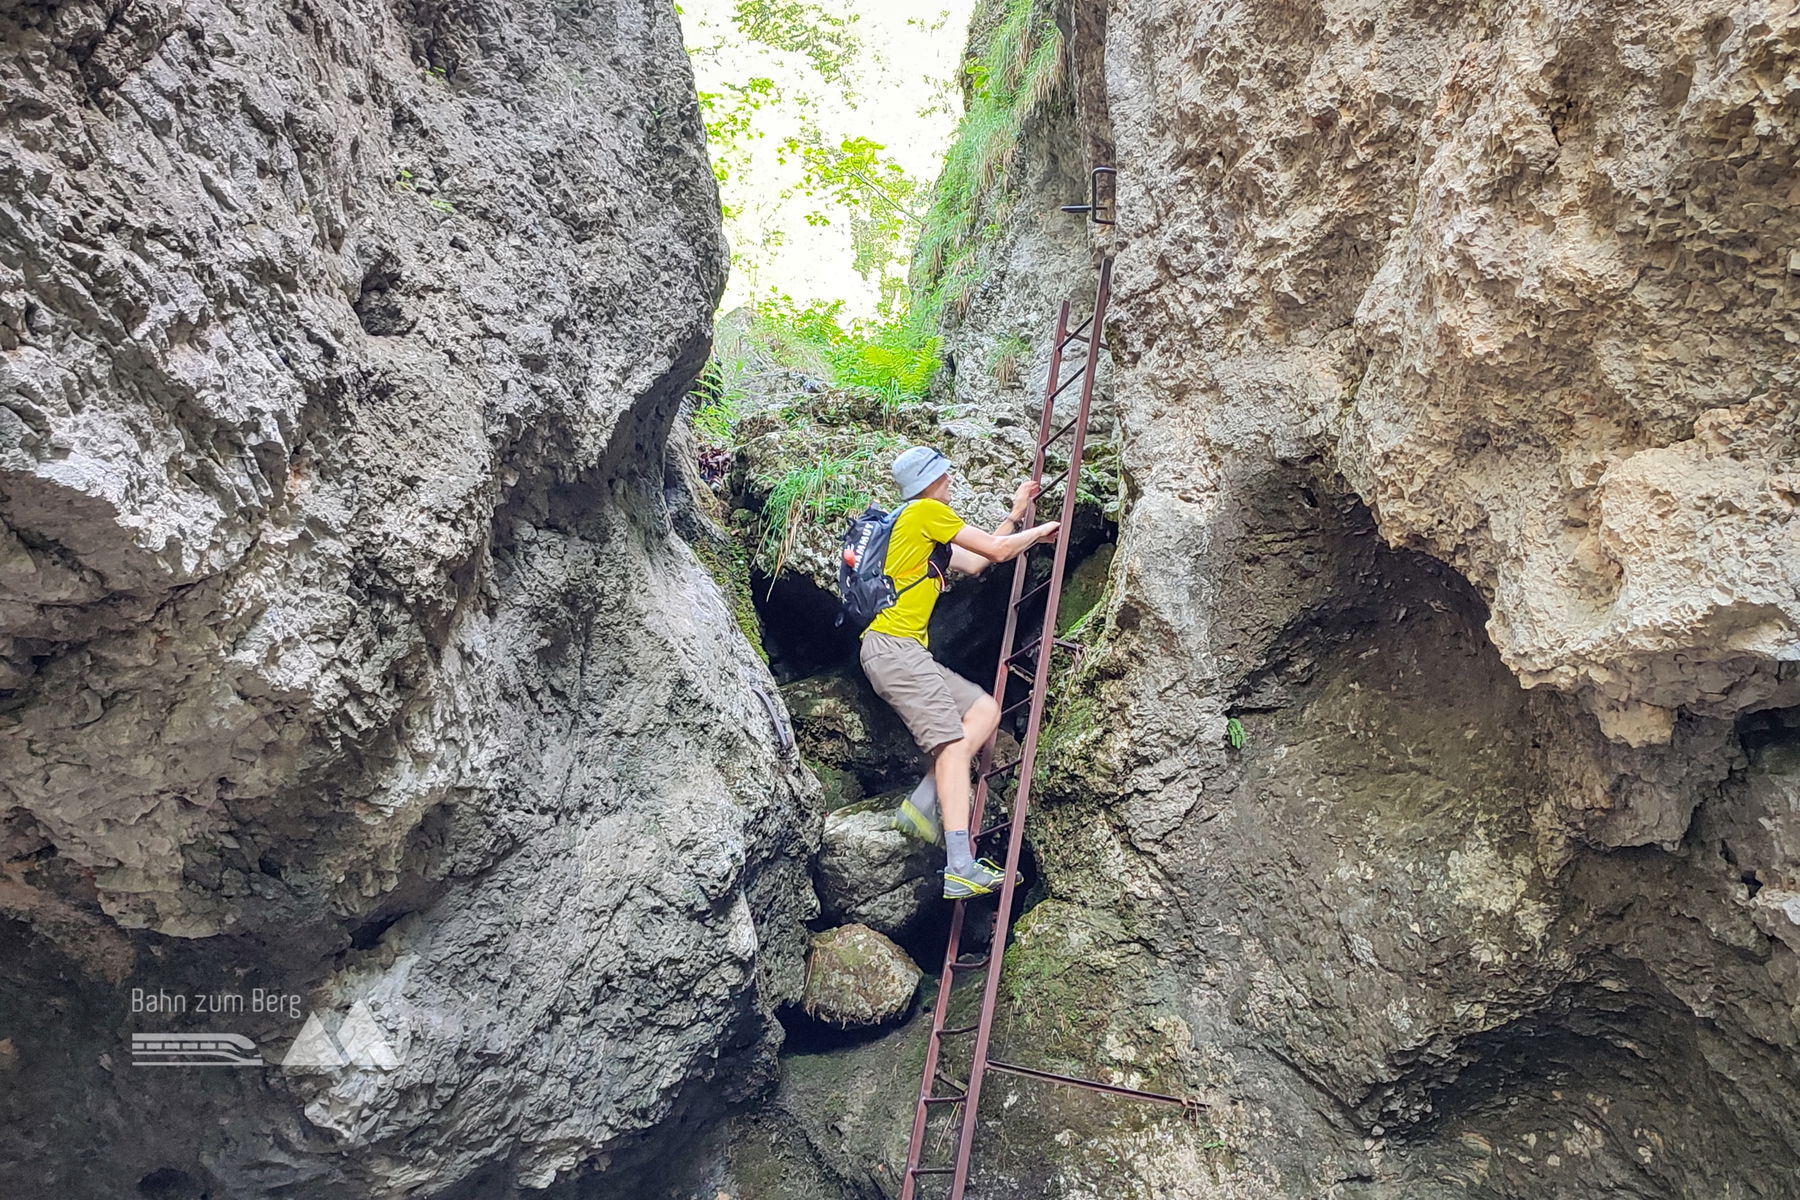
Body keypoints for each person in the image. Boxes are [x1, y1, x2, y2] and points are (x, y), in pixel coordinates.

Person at [859, 445, 1061, 899]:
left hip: (903, 652)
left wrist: (1014, 516)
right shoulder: (924, 512)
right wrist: (1043, 531)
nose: (950, 481)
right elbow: (998, 551)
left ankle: (926, 799)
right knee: (951, 743)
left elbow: (976, 561)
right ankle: (960, 866)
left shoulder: (918, 532)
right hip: (895, 649)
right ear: (930, 482)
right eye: (945, 475)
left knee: (984, 710)